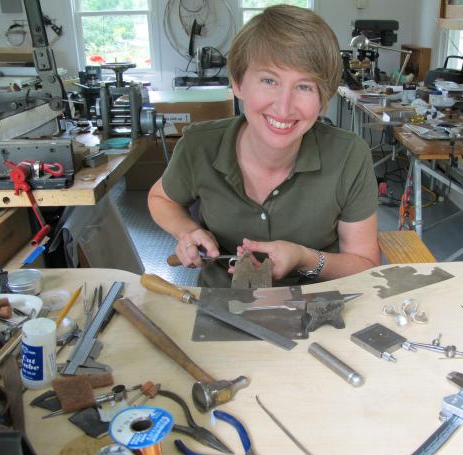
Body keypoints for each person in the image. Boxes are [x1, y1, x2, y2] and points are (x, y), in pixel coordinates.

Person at [148, 4, 380, 287]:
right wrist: (187, 231)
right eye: (269, 80)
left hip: (317, 315)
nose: (283, 107)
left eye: (305, 86)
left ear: (324, 98)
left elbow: (365, 265)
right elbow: (161, 199)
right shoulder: (199, 146)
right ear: (238, 83)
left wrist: (304, 258)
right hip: (222, 310)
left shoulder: (349, 156)